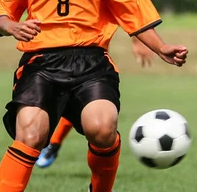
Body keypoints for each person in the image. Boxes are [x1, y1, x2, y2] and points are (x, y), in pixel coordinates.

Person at [0, 0, 188, 192]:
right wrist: (12, 26)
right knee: (30, 134)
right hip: (42, 61)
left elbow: (132, 9)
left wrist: (161, 47)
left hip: (91, 60)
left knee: (103, 128)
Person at [36, 37, 155, 168]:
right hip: (53, 51)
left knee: (85, 103)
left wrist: (137, 40)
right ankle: (52, 144)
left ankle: (53, 145)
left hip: (92, 55)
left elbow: (126, 15)